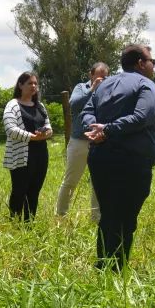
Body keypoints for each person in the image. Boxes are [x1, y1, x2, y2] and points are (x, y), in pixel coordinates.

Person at [79, 44, 155, 270]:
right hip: (132, 161)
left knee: (109, 214)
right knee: (125, 218)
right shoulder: (147, 85)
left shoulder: (104, 85)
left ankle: (104, 265)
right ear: (141, 64)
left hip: (100, 159)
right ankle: (115, 270)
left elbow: (86, 112)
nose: (154, 65)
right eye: (152, 61)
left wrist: (98, 130)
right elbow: (143, 116)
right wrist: (106, 130)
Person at [56, 62, 109, 220]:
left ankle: (97, 217)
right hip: (79, 140)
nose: (102, 81)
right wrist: (92, 89)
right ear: (90, 75)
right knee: (71, 180)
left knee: (98, 182)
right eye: (98, 77)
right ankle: (61, 216)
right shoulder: (81, 87)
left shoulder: (110, 90)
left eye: (105, 77)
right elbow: (73, 105)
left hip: (100, 142)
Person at [2, 72, 53, 222]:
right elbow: (10, 129)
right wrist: (32, 137)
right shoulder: (12, 105)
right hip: (21, 155)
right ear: (20, 85)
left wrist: (46, 133)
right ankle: (14, 223)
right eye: (30, 83)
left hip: (40, 153)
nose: (33, 86)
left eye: (35, 83)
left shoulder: (40, 106)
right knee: (19, 190)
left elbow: (48, 126)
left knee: (34, 190)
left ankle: (29, 222)